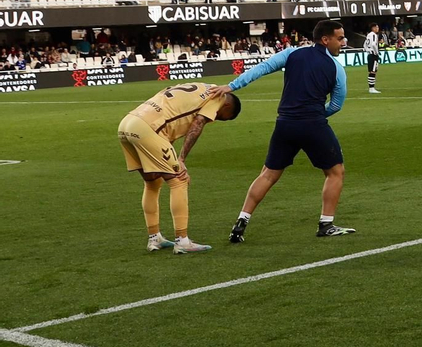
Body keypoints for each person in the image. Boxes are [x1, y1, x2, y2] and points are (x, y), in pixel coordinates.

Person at [226, 20, 355, 242]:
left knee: (268, 174)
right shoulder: (336, 68)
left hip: (285, 124)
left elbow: (262, 68)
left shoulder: (292, 53)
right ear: (326, 39)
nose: (343, 43)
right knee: (335, 172)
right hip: (313, 124)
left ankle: (241, 223)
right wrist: (315, 115)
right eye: (340, 38)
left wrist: (231, 86)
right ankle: (326, 224)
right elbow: (336, 105)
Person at [117, 83, 240, 253]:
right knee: (179, 180)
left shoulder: (199, 87)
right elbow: (198, 123)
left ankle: (154, 238)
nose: (216, 118)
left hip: (127, 124)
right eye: (222, 117)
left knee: (152, 182)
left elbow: (171, 121)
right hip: (148, 128)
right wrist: (181, 159)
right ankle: (182, 241)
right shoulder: (218, 97)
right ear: (227, 106)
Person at [363, 24, 382, 94]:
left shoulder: (368, 35)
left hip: (370, 55)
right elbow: (373, 44)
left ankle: (371, 88)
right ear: (373, 28)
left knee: (371, 71)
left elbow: (364, 45)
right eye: (376, 27)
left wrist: (368, 50)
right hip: (373, 55)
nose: (378, 28)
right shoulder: (373, 35)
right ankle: (371, 88)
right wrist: (376, 52)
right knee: (373, 71)